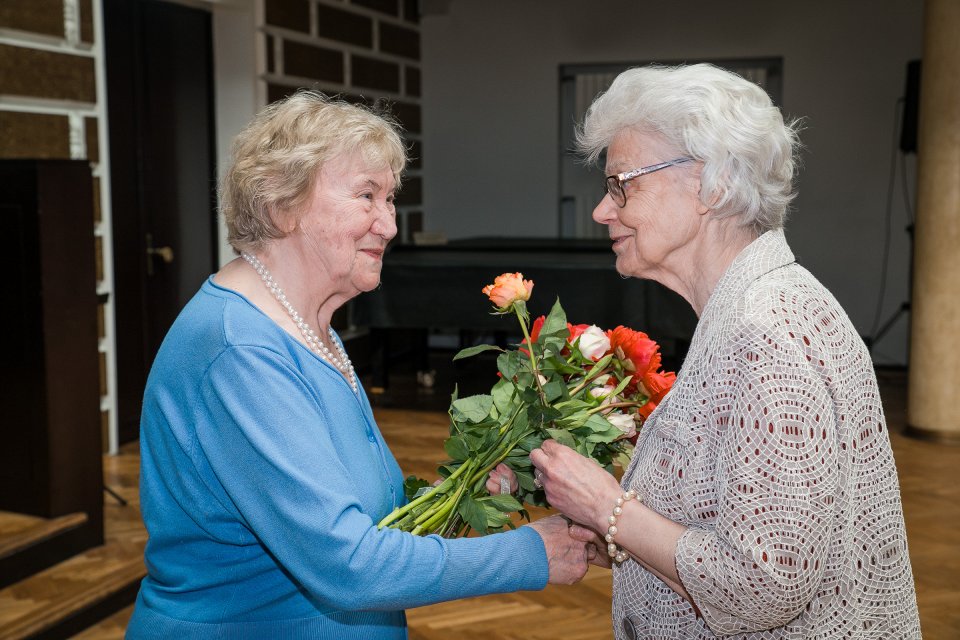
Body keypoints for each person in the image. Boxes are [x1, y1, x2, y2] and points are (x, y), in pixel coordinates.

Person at [125, 91, 591, 639]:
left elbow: (356, 508)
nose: (389, 225)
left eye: (390, 199)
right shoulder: (241, 350)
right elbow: (347, 566)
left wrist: (466, 493)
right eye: (366, 196)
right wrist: (533, 552)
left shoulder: (307, 324)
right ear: (281, 205)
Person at [529, 64, 922, 639]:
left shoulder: (767, 329)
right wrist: (602, 522)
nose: (601, 210)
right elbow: (725, 518)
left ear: (712, 186)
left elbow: (763, 587)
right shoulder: (751, 309)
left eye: (621, 184)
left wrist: (609, 507)